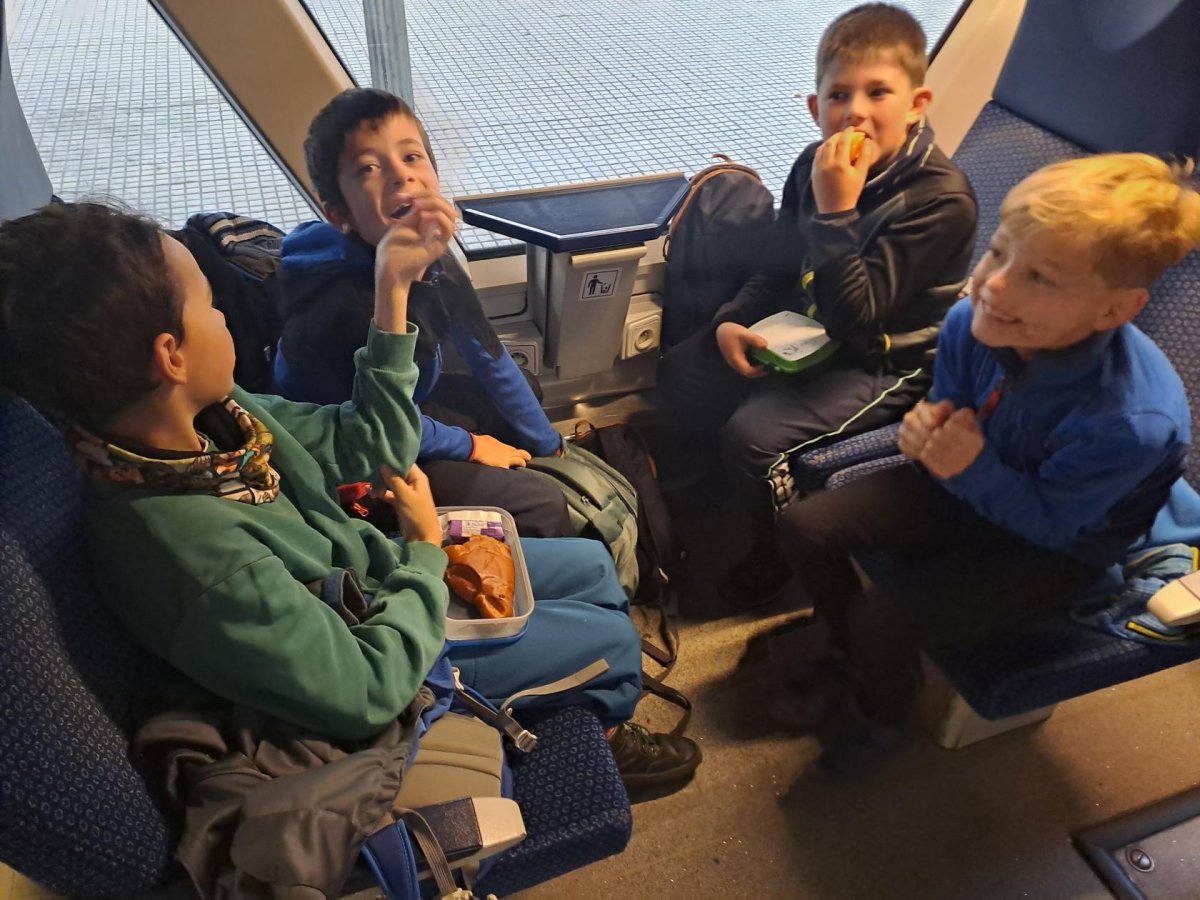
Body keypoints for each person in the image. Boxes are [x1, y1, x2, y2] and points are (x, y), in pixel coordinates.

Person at [0, 201, 701, 789]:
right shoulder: (190, 556)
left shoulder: (221, 424)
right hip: (383, 664)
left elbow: (373, 442)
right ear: (171, 356)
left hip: (374, 585)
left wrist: (392, 293)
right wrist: (423, 552)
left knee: (591, 569)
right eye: (211, 306)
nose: (225, 320)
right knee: (612, 642)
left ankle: (569, 679)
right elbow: (365, 689)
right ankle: (598, 723)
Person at [772, 153, 1200, 773]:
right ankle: (847, 654)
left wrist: (965, 465)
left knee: (883, 617)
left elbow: (1055, 527)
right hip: (969, 478)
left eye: (1041, 278)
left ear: (1115, 310)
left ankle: (882, 718)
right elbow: (951, 403)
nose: (994, 285)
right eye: (998, 253)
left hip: (1057, 544)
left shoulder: (1130, 420)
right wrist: (927, 428)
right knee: (804, 526)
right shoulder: (971, 321)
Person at [657, 2, 977, 606]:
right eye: (838, 95)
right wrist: (730, 321)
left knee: (753, 437)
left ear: (917, 105)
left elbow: (857, 319)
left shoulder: (941, 202)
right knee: (686, 370)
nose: (855, 111)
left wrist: (836, 212)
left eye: (878, 92)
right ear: (815, 108)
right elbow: (779, 266)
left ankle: (773, 553)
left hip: (885, 360)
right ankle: (709, 496)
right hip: (812, 330)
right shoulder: (813, 164)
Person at [274, 88, 571, 538]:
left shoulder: (431, 255)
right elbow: (381, 428)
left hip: (401, 405)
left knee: (523, 394)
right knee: (542, 505)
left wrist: (550, 445)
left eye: (411, 156)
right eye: (369, 168)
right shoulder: (342, 309)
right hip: (353, 452)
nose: (400, 175)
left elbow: (487, 354)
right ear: (339, 216)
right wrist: (472, 446)